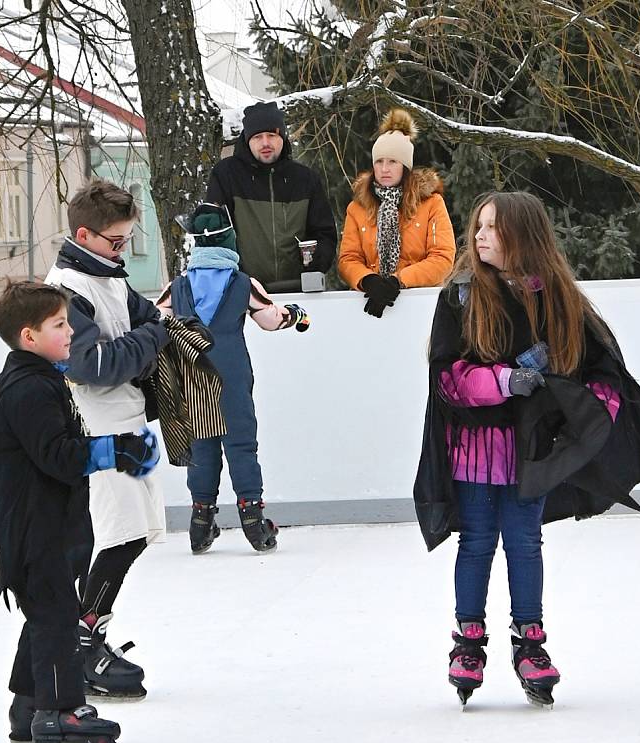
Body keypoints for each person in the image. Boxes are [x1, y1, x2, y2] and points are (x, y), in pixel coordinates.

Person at [413, 191, 640, 708]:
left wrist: (586, 413)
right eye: (478, 226)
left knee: (525, 542)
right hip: (476, 450)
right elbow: (446, 376)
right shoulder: (460, 295)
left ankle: (530, 639)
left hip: (533, 452)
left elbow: (602, 371)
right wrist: (505, 380)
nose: (479, 236)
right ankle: (468, 641)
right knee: (478, 541)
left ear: (522, 235)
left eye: (492, 227)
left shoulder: (556, 296)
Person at [0, 281, 161, 743]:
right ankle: (58, 714)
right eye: (59, 325)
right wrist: (115, 449)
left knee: (46, 613)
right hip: (35, 530)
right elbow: (58, 456)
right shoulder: (31, 390)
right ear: (29, 336)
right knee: (57, 617)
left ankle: (29, 706)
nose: (69, 332)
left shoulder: (40, 379)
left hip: (50, 526)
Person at [43, 179, 170, 700]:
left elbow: (148, 316)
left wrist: (163, 324)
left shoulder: (109, 274)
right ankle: (82, 637)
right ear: (84, 235)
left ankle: (88, 629)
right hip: (97, 426)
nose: (124, 251)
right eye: (116, 241)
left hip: (128, 419)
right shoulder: (69, 289)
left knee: (138, 531)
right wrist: (154, 335)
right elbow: (93, 365)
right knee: (120, 532)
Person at [156, 203, 310, 554]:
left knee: (202, 446)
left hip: (191, 375)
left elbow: (154, 321)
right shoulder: (243, 283)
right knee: (240, 444)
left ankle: (200, 521)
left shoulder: (178, 287)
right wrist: (295, 315)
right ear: (229, 239)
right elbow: (271, 319)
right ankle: (254, 520)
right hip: (233, 376)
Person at [205, 100, 337, 293]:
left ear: (282, 137)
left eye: (271, 135)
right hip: (245, 294)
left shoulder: (305, 179)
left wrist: (318, 263)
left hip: (299, 292)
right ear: (247, 139)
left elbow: (324, 233)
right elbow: (214, 234)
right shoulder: (226, 175)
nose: (265, 142)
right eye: (258, 136)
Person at [338, 108, 456, 317]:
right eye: (379, 162)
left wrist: (399, 279)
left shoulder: (431, 203)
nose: (384, 169)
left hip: (422, 304)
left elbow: (442, 258)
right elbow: (348, 258)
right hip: (369, 304)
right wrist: (367, 279)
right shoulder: (357, 208)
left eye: (392, 162)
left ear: (405, 166)